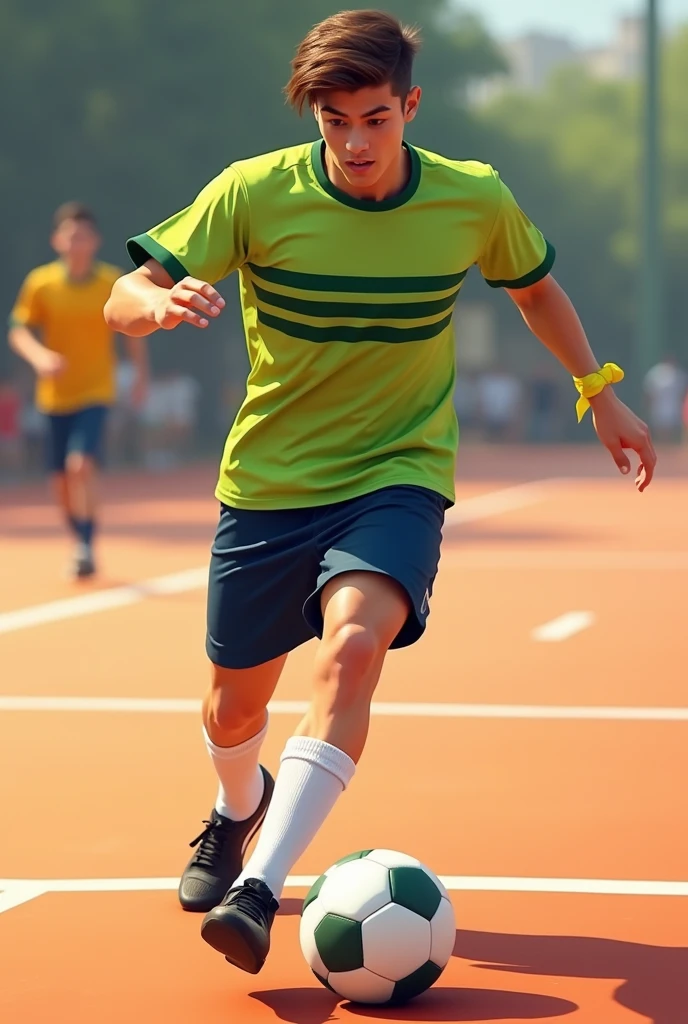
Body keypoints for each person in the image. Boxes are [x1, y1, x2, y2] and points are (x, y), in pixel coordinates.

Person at [104, 9, 656, 975]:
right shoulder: (252, 193)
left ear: (410, 107)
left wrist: (598, 391)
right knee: (235, 711)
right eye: (334, 123)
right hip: (270, 482)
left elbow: (534, 290)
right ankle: (238, 810)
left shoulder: (471, 197)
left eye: (374, 119)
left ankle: (259, 885)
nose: (354, 143)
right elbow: (125, 292)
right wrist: (155, 303)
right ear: (315, 116)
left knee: (356, 646)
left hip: (397, 473)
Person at [8, 203, 148, 577]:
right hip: (54, 396)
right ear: (57, 240)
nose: (76, 242)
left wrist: (139, 375)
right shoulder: (41, 284)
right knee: (60, 480)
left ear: (95, 241)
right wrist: (40, 358)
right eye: (70, 235)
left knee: (80, 465)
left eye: (83, 236)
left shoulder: (110, 283)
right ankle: (79, 536)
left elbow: (133, 331)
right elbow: (18, 330)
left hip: (96, 391)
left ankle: (86, 545)